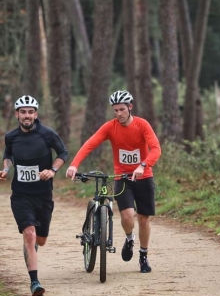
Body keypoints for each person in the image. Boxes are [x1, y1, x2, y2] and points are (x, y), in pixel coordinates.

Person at [66, 90, 161, 273]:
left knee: (143, 218)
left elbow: (156, 149)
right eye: (115, 110)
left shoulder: (142, 125)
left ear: (130, 108)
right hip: (122, 178)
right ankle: (129, 238)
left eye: (122, 110)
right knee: (127, 216)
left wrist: (143, 165)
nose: (118, 114)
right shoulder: (110, 127)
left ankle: (143, 256)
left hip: (143, 176)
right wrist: (74, 165)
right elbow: (90, 143)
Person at [0, 95, 68, 296]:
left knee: (41, 239)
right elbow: (8, 155)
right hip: (20, 195)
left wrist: (53, 170)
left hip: (43, 194)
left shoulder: (47, 134)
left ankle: (33, 247)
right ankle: (35, 282)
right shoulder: (11, 136)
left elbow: (63, 152)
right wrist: (5, 169)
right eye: (23, 112)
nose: (27, 116)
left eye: (30, 112)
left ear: (36, 114)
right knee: (29, 233)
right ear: (17, 115)